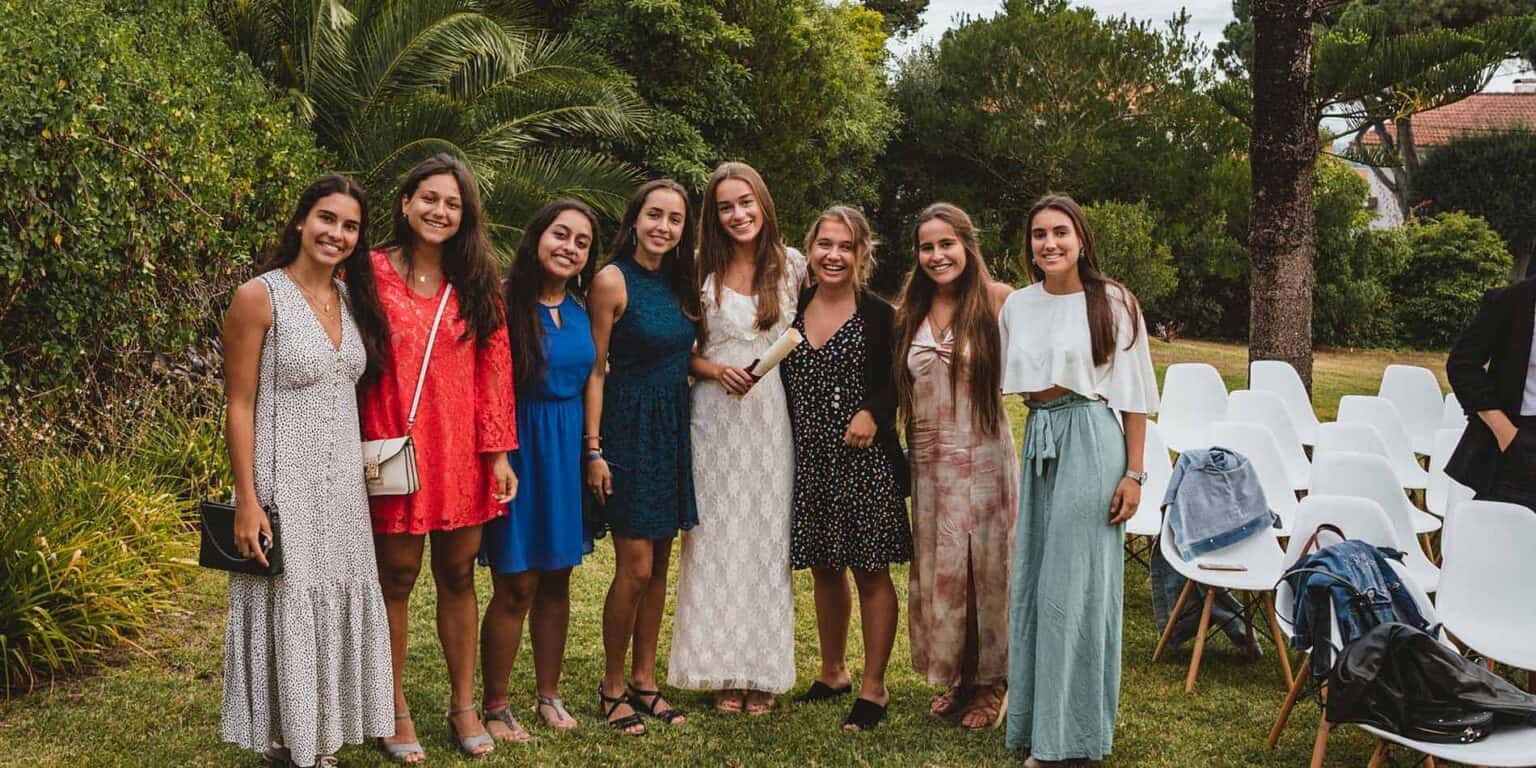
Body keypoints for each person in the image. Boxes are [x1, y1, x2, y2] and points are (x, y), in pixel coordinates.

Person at [220, 174, 394, 768]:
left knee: (334, 596)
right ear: (301, 221)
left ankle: (317, 737)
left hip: (342, 484)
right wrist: (248, 500)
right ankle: (292, 744)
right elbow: (238, 404)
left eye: (349, 226)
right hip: (282, 479)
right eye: (326, 218)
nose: (336, 233)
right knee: (291, 600)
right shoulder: (258, 296)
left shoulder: (350, 299)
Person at [351, 154, 518, 762]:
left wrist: (498, 452)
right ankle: (392, 708)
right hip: (391, 444)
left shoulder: (477, 282)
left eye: (452, 203)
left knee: (457, 574)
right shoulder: (365, 273)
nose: (439, 211)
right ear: (404, 203)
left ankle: (463, 705)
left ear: (465, 215)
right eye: (429, 199)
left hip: (461, 450)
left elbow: (495, 370)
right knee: (395, 578)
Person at [999, 194, 1158, 766]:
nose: (1050, 244)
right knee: (1036, 582)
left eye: (1060, 232)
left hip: (1092, 438)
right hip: (1040, 438)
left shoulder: (1113, 301)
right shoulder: (1017, 304)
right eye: (1039, 234)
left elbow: (1135, 396)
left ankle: (1070, 738)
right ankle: (1036, 724)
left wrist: (1134, 474)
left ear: (1081, 238)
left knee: (1076, 589)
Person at [670, 161, 805, 715]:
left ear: (763, 203)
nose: (738, 214)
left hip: (770, 418)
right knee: (716, 539)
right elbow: (671, 349)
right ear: (713, 215)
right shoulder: (698, 269)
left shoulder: (793, 266)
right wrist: (708, 370)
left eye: (746, 202)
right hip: (714, 418)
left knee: (766, 542)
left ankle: (764, 670)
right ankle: (723, 668)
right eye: (726, 206)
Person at [781, 206, 912, 732]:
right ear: (810, 249)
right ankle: (832, 670)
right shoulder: (792, 306)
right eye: (825, 245)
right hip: (810, 458)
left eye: (845, 246)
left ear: (862, 254)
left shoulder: (882, 314)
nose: (834, 255)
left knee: (870, 569)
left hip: (865, 461)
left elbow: (900, 379)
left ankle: (874, 686)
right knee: (824, 567)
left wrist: (873, 414)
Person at [893, 202, 1018, 730]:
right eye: (927, 247)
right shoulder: (911, 311)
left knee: (986, 570)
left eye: (947, 244)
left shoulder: (999, 301)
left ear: (968, 244)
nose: (937, 255)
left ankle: (993, 683)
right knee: (944, 571)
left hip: (985, 456)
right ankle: (960, 675)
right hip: (931, 463)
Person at [478, 200, 600, 741]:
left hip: (566, 453)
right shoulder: (503, 303)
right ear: (537, 237)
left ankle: (548, 694)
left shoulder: (579, 310)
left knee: (557, 580)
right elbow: (486, 386)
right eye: (561, 234)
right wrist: (499, 456)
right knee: (516, 584)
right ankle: (496, 706)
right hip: (519, 449)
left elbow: (592, 377)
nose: (569, 247)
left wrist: (592, 451)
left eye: (582, 242)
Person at [584, 179, 701, 735]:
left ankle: (645, 681)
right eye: (655, 215)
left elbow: (683, 354)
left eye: (675, 219)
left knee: (660, 565)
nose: (664, 226)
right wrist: (594, 449)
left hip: (674, 428)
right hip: (628, 431)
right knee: (634, 568)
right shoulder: (611, 280)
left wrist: (720, 370)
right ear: (634, 219)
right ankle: (611, 687)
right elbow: (595, 368)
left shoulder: (682, 282)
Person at [1445, 273, 1536, 509]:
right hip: (1519, 438)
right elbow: (1462, 365)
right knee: (1504, 535)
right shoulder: (1513, 300)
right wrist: (1505, 432)